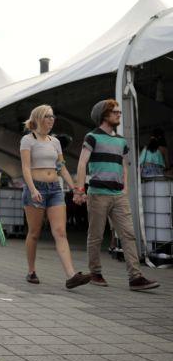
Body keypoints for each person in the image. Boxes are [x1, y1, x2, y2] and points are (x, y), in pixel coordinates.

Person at [74, 99, 159, 291]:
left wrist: (125, 189)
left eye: (120, 112)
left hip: (118, 195)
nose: (119, 114)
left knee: (128, 235)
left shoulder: (121, 141)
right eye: (115, 112)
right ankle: (95, 273)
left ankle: (135, 277)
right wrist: (80, 190)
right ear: (103, 115)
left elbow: (124, 165)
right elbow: (81, 164)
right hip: (97, 194)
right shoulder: (92, 137)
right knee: (95, 236)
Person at [20, 104, 91, 290]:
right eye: (48, 117)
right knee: (34, 233)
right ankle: (31, 270)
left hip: (55, 190)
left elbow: (61, 167)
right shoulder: (28, 140)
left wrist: (74, 187)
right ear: (38, 118)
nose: (52, 120)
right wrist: (33, 189)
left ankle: (71, 275)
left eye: (53, 117)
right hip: (36, 189)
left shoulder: (55, 142)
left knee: (60, 232)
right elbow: (26, 167)